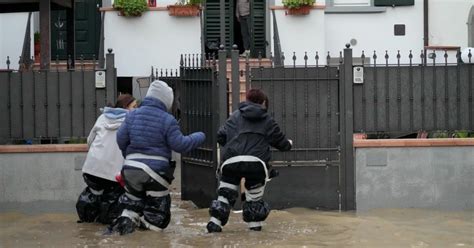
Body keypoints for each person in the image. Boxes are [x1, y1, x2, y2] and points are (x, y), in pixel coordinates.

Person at [109, 80, 206, 235]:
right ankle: (149, 238)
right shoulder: (168, 120)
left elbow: (121, 138)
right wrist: (199, 136)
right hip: (155, 173)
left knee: (132, 204)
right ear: (167, 100)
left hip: (131, 170)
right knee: (158, 213)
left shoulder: (132, 115)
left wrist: (130, 156)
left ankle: (124, 229)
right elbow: (180, 145)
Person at [207, 88, 292, 233]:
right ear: (263, 103)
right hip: (256, 165)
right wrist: (289, 143)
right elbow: (282, 143)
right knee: (254, 199)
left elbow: (220, 136)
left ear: (247, 100)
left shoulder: (234, 116)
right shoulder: (267, 120)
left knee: (225, 196)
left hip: (231, 162)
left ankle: (214, 226)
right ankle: (254, 232)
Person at [76, 94, 137, 224]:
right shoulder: (131, 121)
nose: (136, 109)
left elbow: (89, 141)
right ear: (126, 107)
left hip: (92, 169)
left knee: (94, 197)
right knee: (111, 206)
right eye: (134, 106)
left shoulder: (103, 117)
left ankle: (88, 224)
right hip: (113, 174)